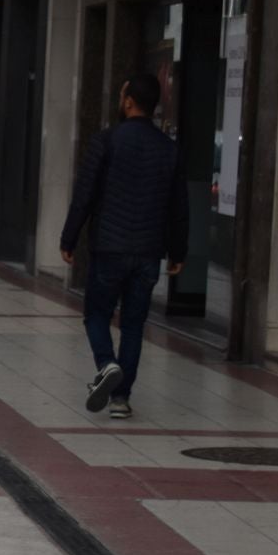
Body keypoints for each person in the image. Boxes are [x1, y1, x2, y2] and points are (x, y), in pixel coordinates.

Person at [60, 73, 189, 420]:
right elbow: (179, 206)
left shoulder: (106, 141)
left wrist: (68, 238)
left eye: (121, 94)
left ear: (129, 100)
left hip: (109, 248)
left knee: (96, 314)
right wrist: (178, 252)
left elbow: (84, 195)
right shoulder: (168, 149)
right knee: (133, 324)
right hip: (148, 252)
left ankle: (106, 363)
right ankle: (120, 398)